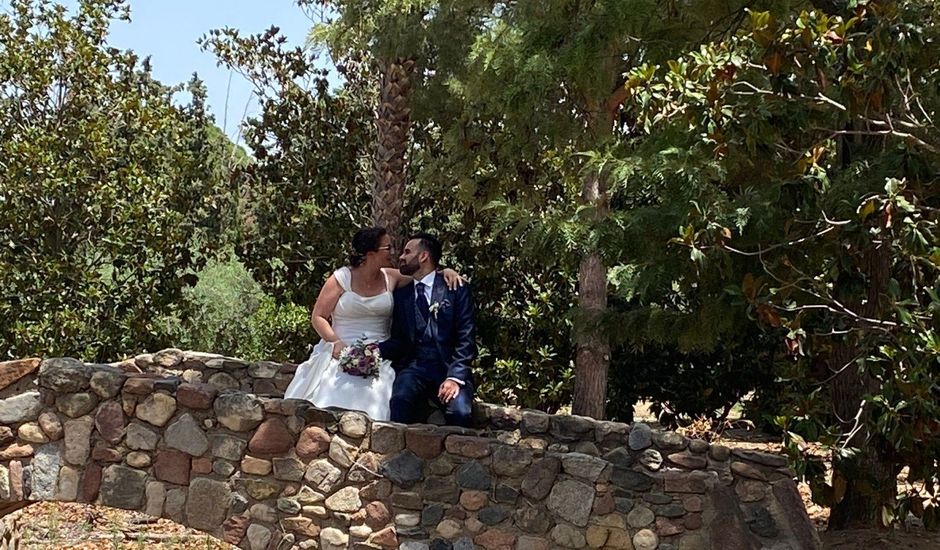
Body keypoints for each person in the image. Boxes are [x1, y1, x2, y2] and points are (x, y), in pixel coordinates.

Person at [284, 227, 463, 421]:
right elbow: (318, 317)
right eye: (387, 248)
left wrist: (445, 271)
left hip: (379, 353)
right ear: (371, 254)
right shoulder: (341, 278)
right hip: (341, 347)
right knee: (329, 390)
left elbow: (424, 274)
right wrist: (335, 342)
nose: (393, 252)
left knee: (376, 395)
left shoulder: (391, 277)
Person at [379, 233, 477, 427]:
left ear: (423, 256)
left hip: (448, 366)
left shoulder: (455, 288)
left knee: (460, 413)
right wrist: (370, 351)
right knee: (400, 403)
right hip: (414, 368)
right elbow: (399, 340)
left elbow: (466, 337)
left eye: (407, 252)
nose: (401, 257)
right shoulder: (401, 294)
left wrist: (455, 378)